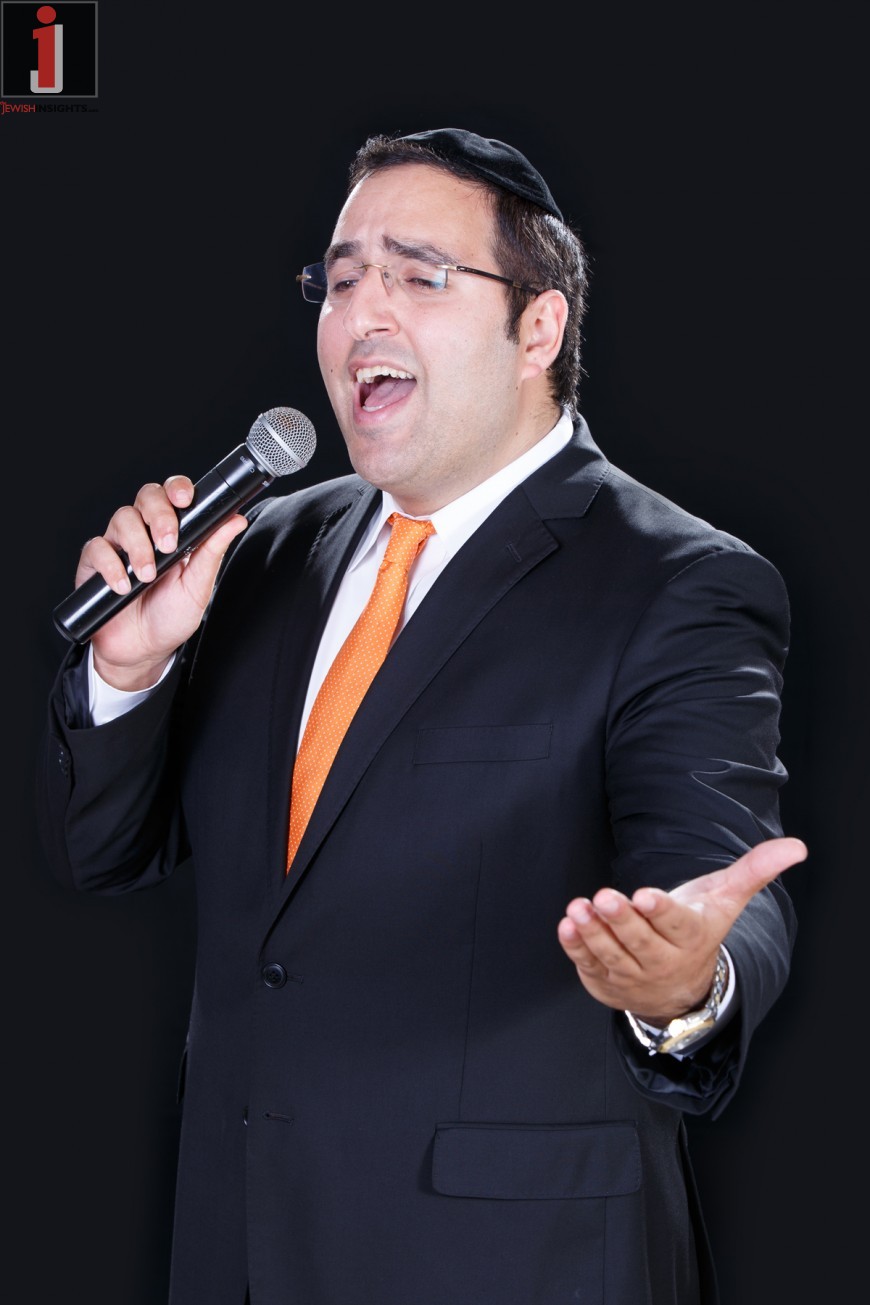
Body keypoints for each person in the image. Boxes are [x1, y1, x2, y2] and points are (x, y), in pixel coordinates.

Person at [37, 127, 806, 1305]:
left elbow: (718, 882)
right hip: (239, 1248)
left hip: (511, 1265)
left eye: (419, 275)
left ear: (537, 329)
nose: (363, 313)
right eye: (341, 279)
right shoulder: (265, 549)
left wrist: (683, 988)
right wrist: (128, 668)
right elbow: (98, 853)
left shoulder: (678, 582)